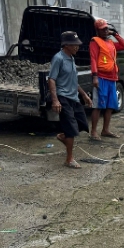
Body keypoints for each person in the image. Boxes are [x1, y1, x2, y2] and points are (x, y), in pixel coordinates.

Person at [48, 31, 93, 169]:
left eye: (78, 45)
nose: (77, 47)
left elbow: (74, 81)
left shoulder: (71, 58)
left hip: (73, 97)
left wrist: (84, 95)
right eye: (74, 45)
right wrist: (55, 100)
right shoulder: (59, 58)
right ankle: (69, 159)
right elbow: (51, 79)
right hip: (63, 97)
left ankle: (63, 136)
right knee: (71, 128)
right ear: (66, 45)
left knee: (82, 124)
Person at [89, 18, 124, 140]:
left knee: (110, 105)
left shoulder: (110, 42)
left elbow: (123, 45)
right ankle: (93, 132)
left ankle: (105, 130)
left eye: (106, 28)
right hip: (101, 77)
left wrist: (114, 33)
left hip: (112, 78)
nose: (105, 31)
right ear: (97, 31)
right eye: (102, 29)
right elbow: (93, 59)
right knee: (98, 105)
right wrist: (95, 77)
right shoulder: (95, 42)